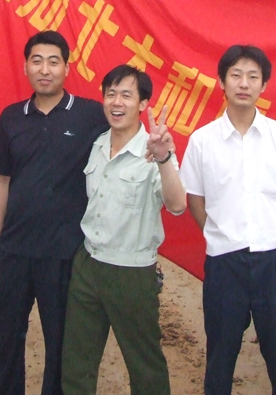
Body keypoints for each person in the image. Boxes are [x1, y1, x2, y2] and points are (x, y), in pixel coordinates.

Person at [179, 45, 276, 395]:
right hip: (225, 264)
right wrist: (222, 235)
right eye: (236, 75)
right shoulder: (202, 141)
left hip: (275, 264)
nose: (244, 83)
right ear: (222, 81)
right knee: (219, 361)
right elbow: (195, 201)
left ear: (264, 85)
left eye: (253, 76)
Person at [0, 30, 108, 395]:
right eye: (37, 61)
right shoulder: (11, 118)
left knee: (61, 345)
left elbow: (121, 146)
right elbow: (1, 180)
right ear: (25, 67)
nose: (45, 69)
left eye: (53, 62)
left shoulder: (90, 115)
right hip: (14, 251)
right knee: (6, 338)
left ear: (67, 68)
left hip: (65, 252)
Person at [61, 65, 186, 395]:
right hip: (87, 265)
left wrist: (164, 158)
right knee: (76, 363)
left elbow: (177, 205)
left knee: (145, 365)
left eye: (127, 95)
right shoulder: (97, 144)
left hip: (131, 271)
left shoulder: (154, 149)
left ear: (143, 104)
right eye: (111, 94)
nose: (117, 102)